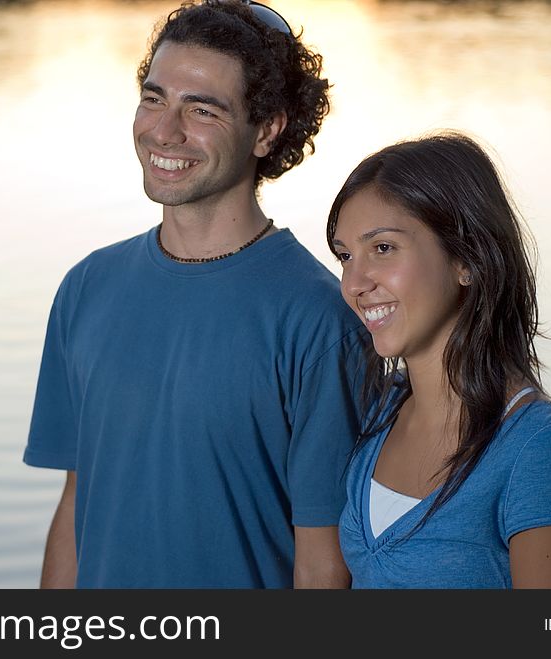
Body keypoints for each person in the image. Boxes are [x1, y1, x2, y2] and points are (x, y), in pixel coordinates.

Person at [24, 0, 369, 588]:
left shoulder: (321, 320)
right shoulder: (86, 287)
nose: (164, 131)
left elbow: (324, 563)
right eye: (154, 98)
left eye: (201, 110)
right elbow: (76, 505)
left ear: (266, 130)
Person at [328, 132, 551, 588]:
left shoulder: (539, 453)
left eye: (382, 248)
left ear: (467, 259)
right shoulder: (383, 409)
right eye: (345, 255)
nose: (355, 282)